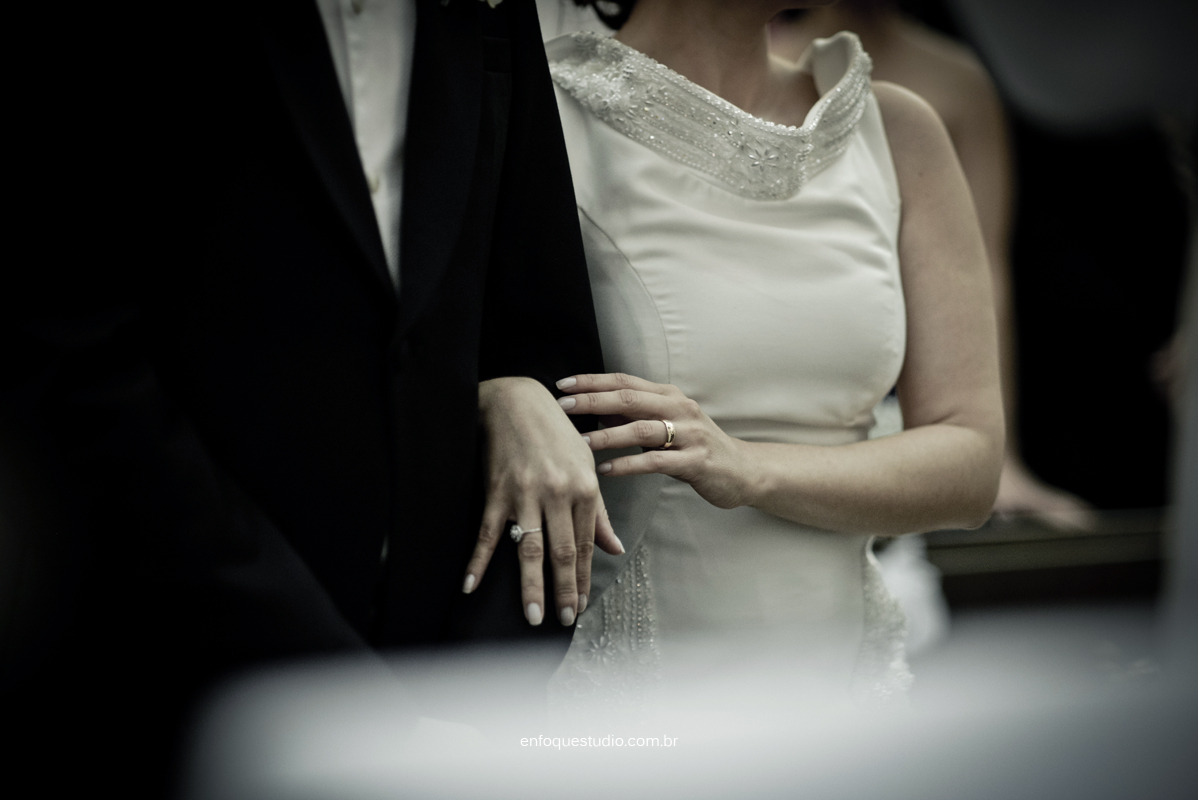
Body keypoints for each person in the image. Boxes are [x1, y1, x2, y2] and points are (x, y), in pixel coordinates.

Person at [3, 0, 618, 794]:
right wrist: (357, 710)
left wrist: (478, 702)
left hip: (452, 718)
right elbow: (71, 360)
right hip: (182, 700)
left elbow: (543, 330)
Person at [541, 0, 1004, 705]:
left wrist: (749, 467)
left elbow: (970, 462)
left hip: (843, 695)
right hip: (633, 705)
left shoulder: (897, 130)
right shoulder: (544, 115)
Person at [770, 0, 1096, 529]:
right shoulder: (756, 64)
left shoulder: (951, 80)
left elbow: (985, 269)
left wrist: (998, 455)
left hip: (909, 364)